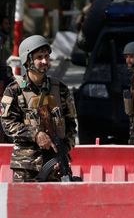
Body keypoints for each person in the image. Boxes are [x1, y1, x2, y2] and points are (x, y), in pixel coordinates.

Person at [1, 35, 77, 182]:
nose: (45, 61)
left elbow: (71, 124)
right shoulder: (14, 90)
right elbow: (7, 123)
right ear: (28, 60)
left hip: (56, 166)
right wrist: (35, 134)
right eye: (39, 57)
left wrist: (63, 152)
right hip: (25, 166)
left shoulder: (60, 89)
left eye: (47, 56)